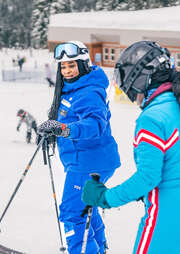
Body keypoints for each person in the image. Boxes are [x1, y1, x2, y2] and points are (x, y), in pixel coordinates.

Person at [82, 41, 180, 254]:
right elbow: (176, 162)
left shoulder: (151, 118)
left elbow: (149, 177)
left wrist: (105, 198)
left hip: (168, 218)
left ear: (139, 79)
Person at [37, 41, 121, 254]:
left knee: (72, 213)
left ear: (83, 64)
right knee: (86, 207)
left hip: (89, 162)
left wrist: (64, 129)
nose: (67, 71)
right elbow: (69, 119)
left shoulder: (89, 92)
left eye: (72, 65)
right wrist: (54, 133)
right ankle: (99, 249)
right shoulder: (73, 88)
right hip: (86, 159)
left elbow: (95, 125)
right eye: (63, 67)